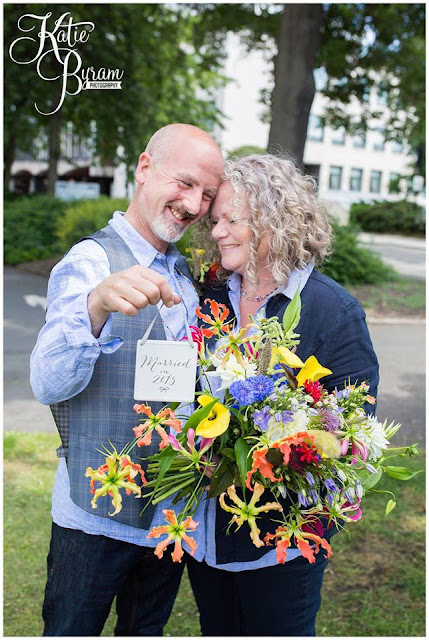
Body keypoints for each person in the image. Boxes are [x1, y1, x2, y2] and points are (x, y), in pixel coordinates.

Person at [30, 123, 224, 636]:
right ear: (143, 168)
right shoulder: (90, 261)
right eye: (183, 183)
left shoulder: (187, 276)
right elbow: (47, 383)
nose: (194, 204)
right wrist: (95, 305)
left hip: (168, 517)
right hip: (93, 515)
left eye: (207, 193)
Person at [188, 153, 379, 636]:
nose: (217, 232)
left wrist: (284, 451)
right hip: (207, 534)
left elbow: (355, 436)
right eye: (215, 221)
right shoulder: (207, 297)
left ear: (274, 220)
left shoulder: (332, 311)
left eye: (233, 220)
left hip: (283, 543)